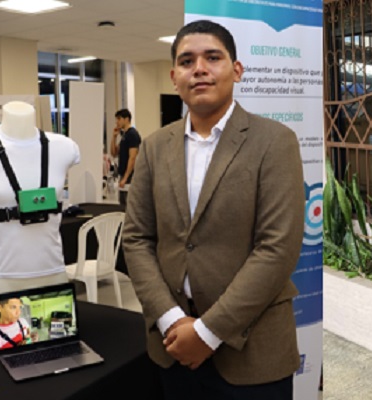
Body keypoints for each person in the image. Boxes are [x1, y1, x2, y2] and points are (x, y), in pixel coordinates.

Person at [122, 20, 305, 400]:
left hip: (253, 354)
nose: (200, 68)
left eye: (213, 57)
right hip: (172, 347)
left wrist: (207, 332)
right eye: (187, 61)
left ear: (236, 70)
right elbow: (138, 238)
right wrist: (173, 320)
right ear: (174, 76)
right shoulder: (156, 147)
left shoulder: (274, 142)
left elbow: (277, 248)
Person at [0, 101, 78, 347]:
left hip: (53, 277)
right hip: (4, 281)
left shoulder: (64, 147)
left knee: (55, 356)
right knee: (6, 367)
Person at [110, 109, 141, 205]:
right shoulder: (124, 135)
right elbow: (114, 153)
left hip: (130, 176)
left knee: (129, 205)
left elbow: (133, 157)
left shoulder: (132, 135)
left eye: (119, 119)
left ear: (126, 119)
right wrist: (114, 137)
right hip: (123, 174)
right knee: (122, 204)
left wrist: (126, 178)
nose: (117, 122)